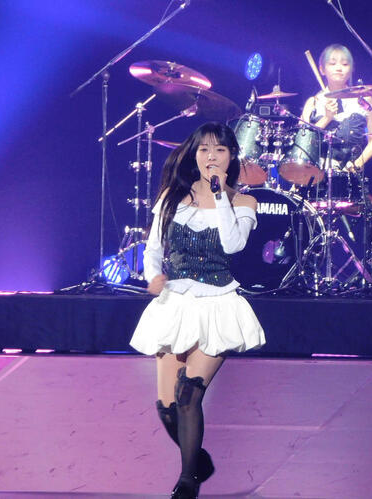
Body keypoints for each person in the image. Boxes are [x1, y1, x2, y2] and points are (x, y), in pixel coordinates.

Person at [129, 122, 266, 498]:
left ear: (231, 156)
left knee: (189, 394)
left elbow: (233, 245)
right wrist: (153, 277)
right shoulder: (173, 197)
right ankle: (198, 460)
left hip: (217, 306)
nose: (211, 156)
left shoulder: (243, 202)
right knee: (167, 408)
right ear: (194, 154)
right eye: (204, 149)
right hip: (175, 304)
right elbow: (153, 249)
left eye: (219, 150)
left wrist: (220, 194)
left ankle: (187, 482)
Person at [301, 44, 372, 174]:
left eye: (345, 64)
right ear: (322, 69)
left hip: (350, 174)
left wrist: (357, 164)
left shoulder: (364, 99)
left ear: (352, 69)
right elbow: (302, 142)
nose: (339, 68)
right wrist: (327, 118)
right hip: (316, 175)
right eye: (332, 64)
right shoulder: (313, 102)